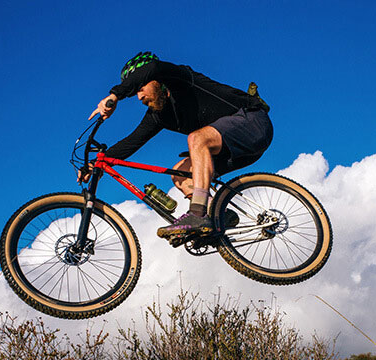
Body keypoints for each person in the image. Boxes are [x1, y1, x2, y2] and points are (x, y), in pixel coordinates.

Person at [88, 52, 273, 240]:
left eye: (141, 87)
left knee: (197, 139)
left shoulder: (181, 78)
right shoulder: (158, 115)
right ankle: (218, 217)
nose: (139, 96)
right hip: (234, 151)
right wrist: (94, 164)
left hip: (253, 123)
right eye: (136, 91)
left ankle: (197, 214)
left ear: (157, 80)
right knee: (179, 174)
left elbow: (154, 68)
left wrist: (115, 95)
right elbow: (132, 142)